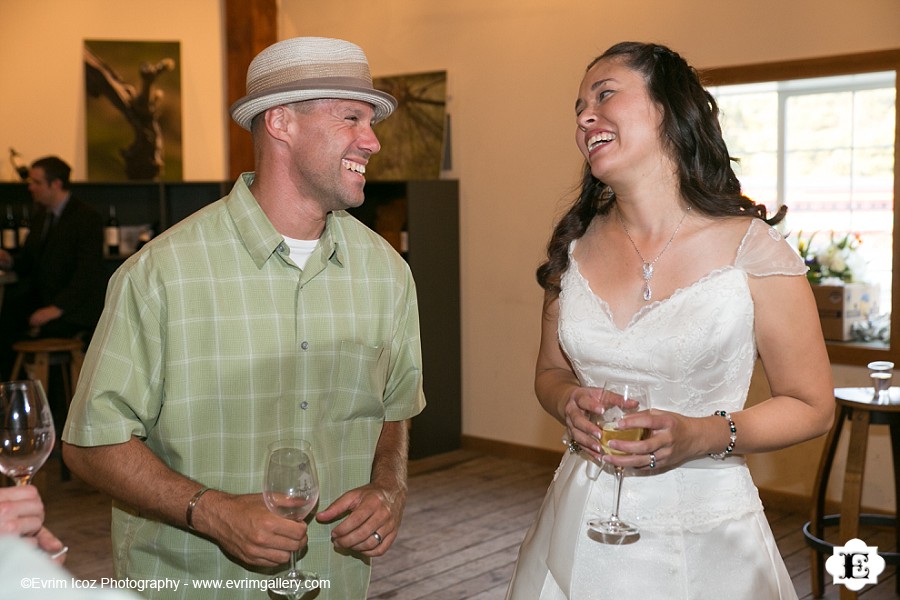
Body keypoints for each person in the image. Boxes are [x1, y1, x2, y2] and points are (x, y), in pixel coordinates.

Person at [62, 37, 425, 599]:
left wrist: (389, 485)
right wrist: (209, 512)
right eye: (352, 117)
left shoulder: (388, 274)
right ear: (281, 123)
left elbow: (395, 410)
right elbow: (90, 444)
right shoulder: (161, 274)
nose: (373, 141)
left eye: (371, 121)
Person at [505, 42, 834, 600]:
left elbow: (812, 405)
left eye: (605, 94)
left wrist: (701, 435)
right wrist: (566, 402)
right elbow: (550, 372)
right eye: (579, 107)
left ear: (669, 109)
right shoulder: (574, 245)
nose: (585, 116)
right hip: (582, 519)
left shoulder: (752, 249)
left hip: (709, 535)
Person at [0, 156, 106, 379]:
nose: (30, 188)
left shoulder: (87, 218)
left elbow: (88, 275)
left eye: (37, 182)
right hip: (46, 301)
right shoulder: (42, 217)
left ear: (56, 184)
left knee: (27, 333)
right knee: (5, 318)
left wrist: (56, 308)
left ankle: (45, 400)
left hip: (74, 309)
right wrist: (9, 260)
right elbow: (30, 262)